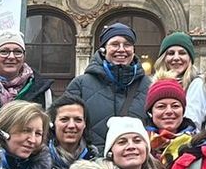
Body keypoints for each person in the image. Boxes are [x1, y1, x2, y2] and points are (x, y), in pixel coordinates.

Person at [62, 22, 152, 151]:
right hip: (93, 165)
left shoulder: (148, 85)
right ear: (103, 50)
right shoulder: (80, 84)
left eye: (127, 44)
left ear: (133, 50)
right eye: (115, 44)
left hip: (135, 162)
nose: (121, 49)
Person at [50, 99, 93, 169]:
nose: (71, 125)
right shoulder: (37, 163)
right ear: (53, 123)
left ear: (85, 124)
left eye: (78, 120)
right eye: (64, 119)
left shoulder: (96, 164)